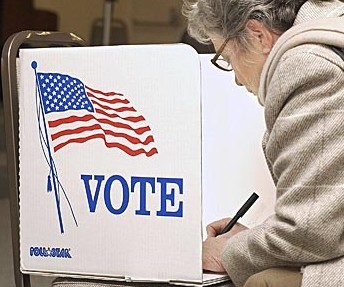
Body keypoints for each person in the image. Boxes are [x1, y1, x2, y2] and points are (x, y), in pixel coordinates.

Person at [182, 0, 344, 287]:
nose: (234, 78)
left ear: (258, 35)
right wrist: (251, 240)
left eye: (228, 58)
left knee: (264, 283)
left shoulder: (308, 64)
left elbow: (309, 231)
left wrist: (229, 252)